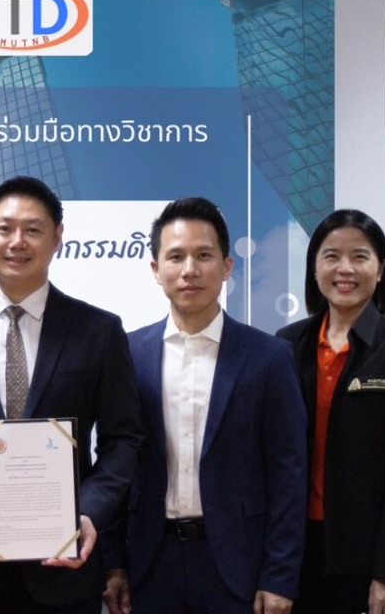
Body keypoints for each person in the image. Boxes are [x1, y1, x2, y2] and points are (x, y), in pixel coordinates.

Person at [0, 175, 144, 614]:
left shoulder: (99, 331)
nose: (17, 242)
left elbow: (123, 439)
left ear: (57, 238)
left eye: (33, 230)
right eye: (5, 228)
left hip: (64, 569)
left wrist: (87, 511)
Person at [103, 197, 306, 614]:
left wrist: (279, 575)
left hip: (239, 567)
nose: (190, 269)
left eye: (204, 255)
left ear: (227, 267)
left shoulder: (269, 357)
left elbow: (289, 472)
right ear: (156, 270)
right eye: (176, 256)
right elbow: (113, 461)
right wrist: (112, 563)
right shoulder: (128, 353)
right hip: (149, 563)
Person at [275, 210, 385, 614]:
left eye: (360, 256)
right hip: (295, 550)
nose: (345, 268)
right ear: (314, 268)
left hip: (366, 558)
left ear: (380, 270)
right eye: (331, 256)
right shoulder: (286, 344)